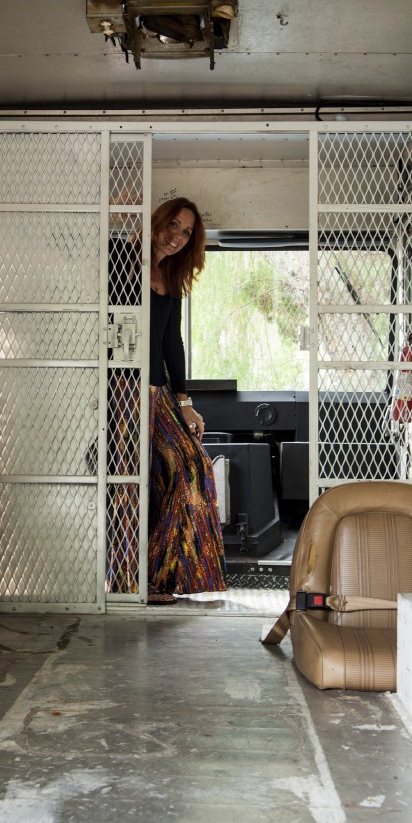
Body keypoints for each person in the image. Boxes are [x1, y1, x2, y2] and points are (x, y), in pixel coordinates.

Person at [146, 197, 227, 604]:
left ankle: (162, 576)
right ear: (157, 220)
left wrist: (184, 401)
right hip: (119, 391)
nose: (176, 237)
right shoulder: (122, 259)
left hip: (157, 394)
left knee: (193, 468)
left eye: (186, 232)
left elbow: (171, 344)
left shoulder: (171, 280)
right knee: (131, 486)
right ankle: (134, 582)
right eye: (172, 225)